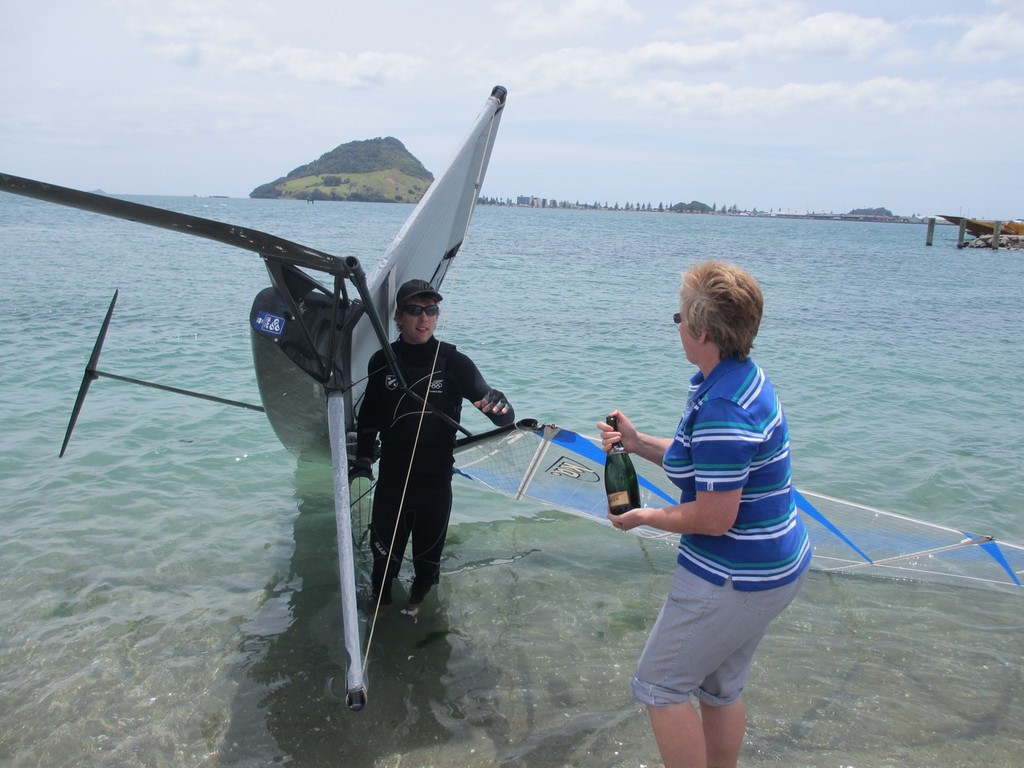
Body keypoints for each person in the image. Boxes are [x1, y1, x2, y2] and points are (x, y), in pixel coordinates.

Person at [598, 260, 810, 768]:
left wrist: (645, 517)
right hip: (774, 566)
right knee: (719, 689)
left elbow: (715, 518)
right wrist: (636, 442)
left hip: (735, 575)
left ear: (703, 331)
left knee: (659, 688)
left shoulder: (724, 408)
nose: (677, 327)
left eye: (679, 318)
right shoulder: (739, 378)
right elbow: (708, 462)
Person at [352, 278, 515, 608]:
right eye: (414, 310)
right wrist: (364, 460)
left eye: (431, 310)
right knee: (383, 573)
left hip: (435, 488)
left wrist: (499, 404)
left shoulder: (454, 363)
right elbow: (368, 417)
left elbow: (504, 418)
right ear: (399, 317)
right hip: (392, 486)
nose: (423, 318)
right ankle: (382, 634)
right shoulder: (382, 361)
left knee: (427, 573)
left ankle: (419, 623)